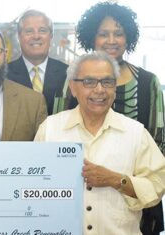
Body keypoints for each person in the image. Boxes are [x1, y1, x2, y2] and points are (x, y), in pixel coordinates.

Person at [55, 3, 165, 233]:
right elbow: (59, 133)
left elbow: (158, 141)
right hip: (80, 195)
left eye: (119, 33)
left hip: (134, 197)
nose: (111, 40)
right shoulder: (73, 77)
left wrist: (122, 179)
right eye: (103, 34)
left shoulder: (147, 82)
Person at [35, 52, 165, 235]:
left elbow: (157, 184)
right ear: (73, 87)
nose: (99, 90)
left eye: (107, 82)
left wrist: (115, 180)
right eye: (89, 82)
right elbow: (33, 185)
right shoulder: (50, 129)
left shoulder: (135, 132)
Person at [7, 9, 68, 115]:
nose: (36, 36)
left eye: (42, 30)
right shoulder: (4, 75)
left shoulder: (67, 73)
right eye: (29, 31)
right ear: (19, 36)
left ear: (51, 36)